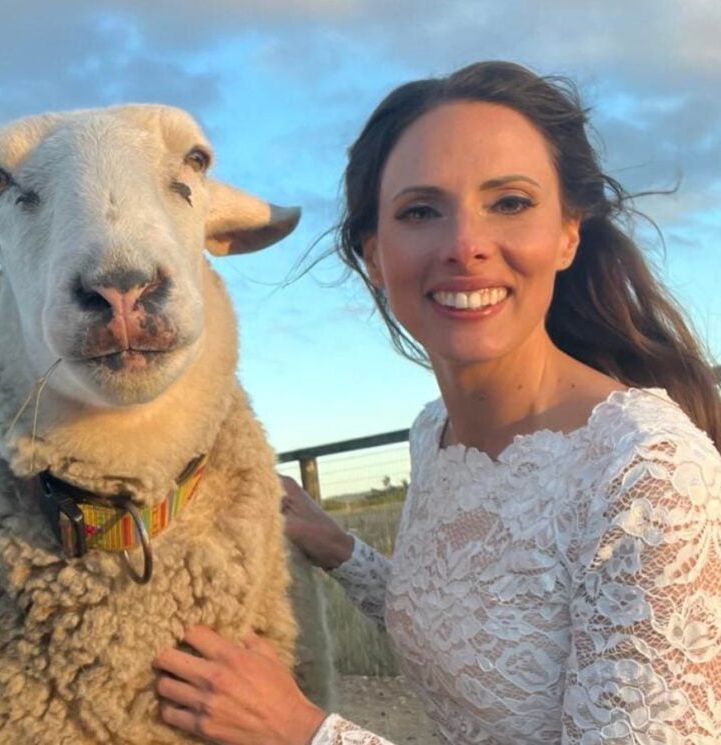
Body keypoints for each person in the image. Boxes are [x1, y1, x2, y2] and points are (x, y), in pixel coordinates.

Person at [152, 60, 721, 744]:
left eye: (509, 201)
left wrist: (303, 732)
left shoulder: (648, 476)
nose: (465, 247)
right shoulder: (436, 434)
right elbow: (476, 631)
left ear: (568, 233)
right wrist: (342, 551)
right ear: (373, 253)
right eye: (421, 211)